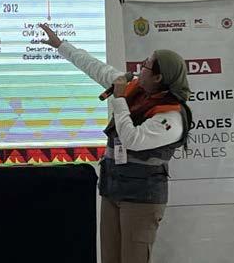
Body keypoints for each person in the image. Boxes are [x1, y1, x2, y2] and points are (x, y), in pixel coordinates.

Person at [39, 23, 192, 263]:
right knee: (109, 257)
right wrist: (60, 45)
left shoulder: (171, 116)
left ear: (158, 77)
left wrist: (119, 100)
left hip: (141, 198)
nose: (140, 68)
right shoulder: (135, 88)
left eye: (146, 65)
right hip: (112, 190)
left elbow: (132, 139)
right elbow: (96, 68)